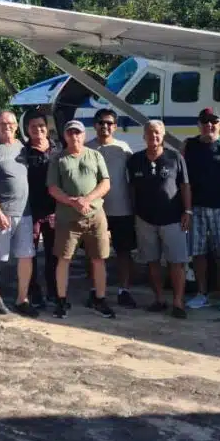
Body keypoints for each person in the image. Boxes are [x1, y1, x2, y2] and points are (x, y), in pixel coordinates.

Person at [46, 119, 115, 319]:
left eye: (78, 132)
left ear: (84, 135)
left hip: (95, 216)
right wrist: (71, 201)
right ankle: (61, 300)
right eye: (70, 133)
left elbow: (105, 183)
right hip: (67, 218)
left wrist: (87, 199)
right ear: (65, 136)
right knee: (64, 258)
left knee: (99, 258)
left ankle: (100, 299)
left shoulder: (95, 155)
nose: (74, 136)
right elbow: (53, 188)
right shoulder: (58, 159)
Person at [127, 120, 192, 318]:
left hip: (173, 218)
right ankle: (159, 299)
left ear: (163, 135)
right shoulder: (135, 160)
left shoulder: (175, 157)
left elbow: (185, 185)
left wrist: (187, 211)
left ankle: (178, 303)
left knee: (176, 262)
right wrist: (134, 213)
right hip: (145, 219)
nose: (153, 136)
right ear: (143, 136)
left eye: (157, 132)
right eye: (149, 133)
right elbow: (131, 188)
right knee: (152, 261)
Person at [184, 108, 220, 314]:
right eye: (204, 121)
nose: (209, 125)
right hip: (196, 208)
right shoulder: (188, 145)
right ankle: (202, 294)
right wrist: (186, 209)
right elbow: (183, 179)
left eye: (213, 121)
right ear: (198, 124)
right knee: (198, 253)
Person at [0, 110, 35, 316]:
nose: (7, 127)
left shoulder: (24, 147)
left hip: (25, 213)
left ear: (16, 126)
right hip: (1, 213)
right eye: (2, 124)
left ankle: (22, 298)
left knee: (26, 256)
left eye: (10, 123)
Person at [85, 109, 137, 308]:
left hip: (122, 208)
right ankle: (95, 290)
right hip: (95, 210)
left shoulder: (124, 149)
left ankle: (124, 291)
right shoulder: (86, 148)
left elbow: (133, 179)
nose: (104, 126)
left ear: (115, 126)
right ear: (95, 125)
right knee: (94, 253)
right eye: (101, 122)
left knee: (123, 252)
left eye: (109, 123)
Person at [24, 111, 58, 307]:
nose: (38, 129)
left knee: (54, 253)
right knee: (30, 253)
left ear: (47, 127)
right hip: (31, 210)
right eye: (33, 126)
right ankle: (33, 290)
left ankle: (53, 289)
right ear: (27, 130)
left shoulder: (58, 149)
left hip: (54, 210)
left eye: (41, 125)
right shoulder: (23, 152)